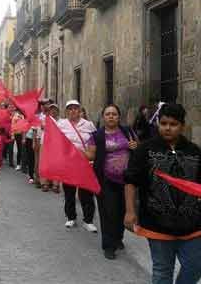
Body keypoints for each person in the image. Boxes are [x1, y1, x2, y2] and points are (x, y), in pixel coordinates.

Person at [124, 103, 201, 283]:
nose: (167, 128)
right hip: (157, 223)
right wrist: (130, 211)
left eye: (173, 124)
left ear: (182, 126)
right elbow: (130, 181)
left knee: (195, 265)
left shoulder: (194, 151)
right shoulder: (145, 150)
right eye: (163, 123)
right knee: (162, 271)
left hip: (192, 223)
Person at [85, 104, 138, 259]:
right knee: (108, 212)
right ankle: (109, 246)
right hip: (105, 180)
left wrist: (135, 146)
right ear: (103, 117)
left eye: (114, 114)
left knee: (122, 210)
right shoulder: (97, 135)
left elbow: (138, 148)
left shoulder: (127, 131)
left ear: (118, 116)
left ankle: (118, 238)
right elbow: (90, 155)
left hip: (126, 181)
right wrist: (72, 151)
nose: (111, 116)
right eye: (108, 114)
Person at [56, 100, 97, 232]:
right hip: (69, 163)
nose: (73, 111)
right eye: (70, 109)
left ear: (80, 110)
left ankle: (88, 220)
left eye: (75, 108)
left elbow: (95, 141)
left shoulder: (88, 125)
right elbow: (55, 141)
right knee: (69, 192)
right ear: (66, 111)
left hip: (85, 162)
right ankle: (70, 217)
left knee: (86, 192)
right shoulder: (61, 124)